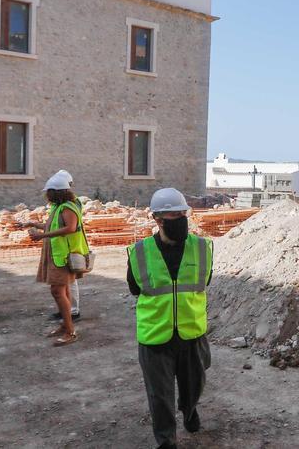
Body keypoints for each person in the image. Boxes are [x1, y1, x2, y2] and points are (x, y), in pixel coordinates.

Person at [128, 188, 213, 448]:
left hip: (191, 331)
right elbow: (134, 288)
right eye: (172, 215)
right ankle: (166, 440)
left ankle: (189, 409)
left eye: (182, 214)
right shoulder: (140, 252)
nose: (179, 219)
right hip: (155, 334)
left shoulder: (202, 247)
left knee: (193, 385)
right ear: (158, 219)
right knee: (159, 394)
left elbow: (205, 281)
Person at [27, 172, 87, 346]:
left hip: (63, 256)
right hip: (57, 255)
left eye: (49, 192)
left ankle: (70, 331)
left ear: (56, 192)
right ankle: (65, 325)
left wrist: (42, 235)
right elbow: (52, 225)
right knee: (63, 291)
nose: (47, 195)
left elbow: (70, 228)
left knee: (57, 291)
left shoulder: (68, 207)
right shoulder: (59, 207)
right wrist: (33, 225)